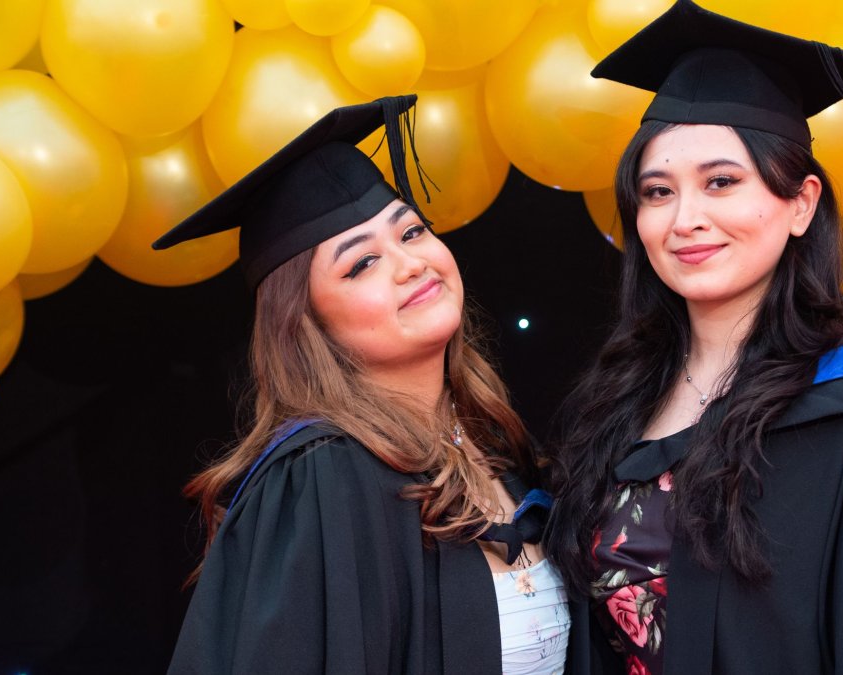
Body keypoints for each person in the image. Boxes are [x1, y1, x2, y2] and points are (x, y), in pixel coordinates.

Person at [546, 2, 843, 673]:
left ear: (799, 203)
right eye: (657, 192)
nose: (686, 219)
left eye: (721, 182)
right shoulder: (615, 410)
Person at [153, 96, 576, 674]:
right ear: (306, 324)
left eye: (411, 232)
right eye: (361, 264)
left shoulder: (493, 447)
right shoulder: (322, 475)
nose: (409, 264)